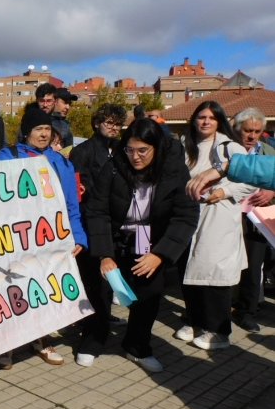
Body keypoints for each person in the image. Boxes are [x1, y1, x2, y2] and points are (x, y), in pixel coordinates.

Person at [85, 119, 199, 371]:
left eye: (142, 150)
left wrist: (160, 254)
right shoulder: (114, 166)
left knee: (148, 295)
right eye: (130, 149)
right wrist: (104, 254)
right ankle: (92, 342)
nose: (135, 157)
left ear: (156, 147)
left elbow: (186, 216)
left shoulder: (175, 171)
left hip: (150, 239)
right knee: (100, 292)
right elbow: (97, 211)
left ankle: (136, 347)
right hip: (115, 235)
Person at [0, 106, 88, 370]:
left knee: (43, 291)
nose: (44, 134)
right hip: (13, 237)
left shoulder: (61, 162)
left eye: (47, 129)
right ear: (26, 132)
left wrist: (77, 236)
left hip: (49, 238)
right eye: (38, 129)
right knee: (12, 287)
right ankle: (7, 345)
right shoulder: (6, 156)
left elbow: (71, 204)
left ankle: (40, 340)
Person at [176, 101, 253, 350]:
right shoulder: (185, 146)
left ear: (219, 121)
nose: (205, 122)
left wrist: (223, 191)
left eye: (211, 117)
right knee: (189, 269)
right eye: (201, 117)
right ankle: (195, 321)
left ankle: (220, 331)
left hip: (217, 215)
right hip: (188, 214)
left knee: (214, 274)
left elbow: (249, 180)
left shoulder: (231, 147)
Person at [70, 103, 128, 353]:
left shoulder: (123, 150)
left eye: (118, 124)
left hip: (117, 223)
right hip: (90, 221)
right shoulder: (82, 151)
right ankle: (89, 322)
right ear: (96, 123)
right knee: (90, 279)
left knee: (108, 280)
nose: (114, 128)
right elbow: (80, 189)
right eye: (109, 123)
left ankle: (102, 316)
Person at [232, 108, 275, 333]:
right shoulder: (228, 149)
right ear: (237, 129)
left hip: (256, 217)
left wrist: (271, 192)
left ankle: (245, 311)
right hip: (229, 213)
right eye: (248, 130)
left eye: (257, 131)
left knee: (253, 264)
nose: (252, 136)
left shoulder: (269, 151)